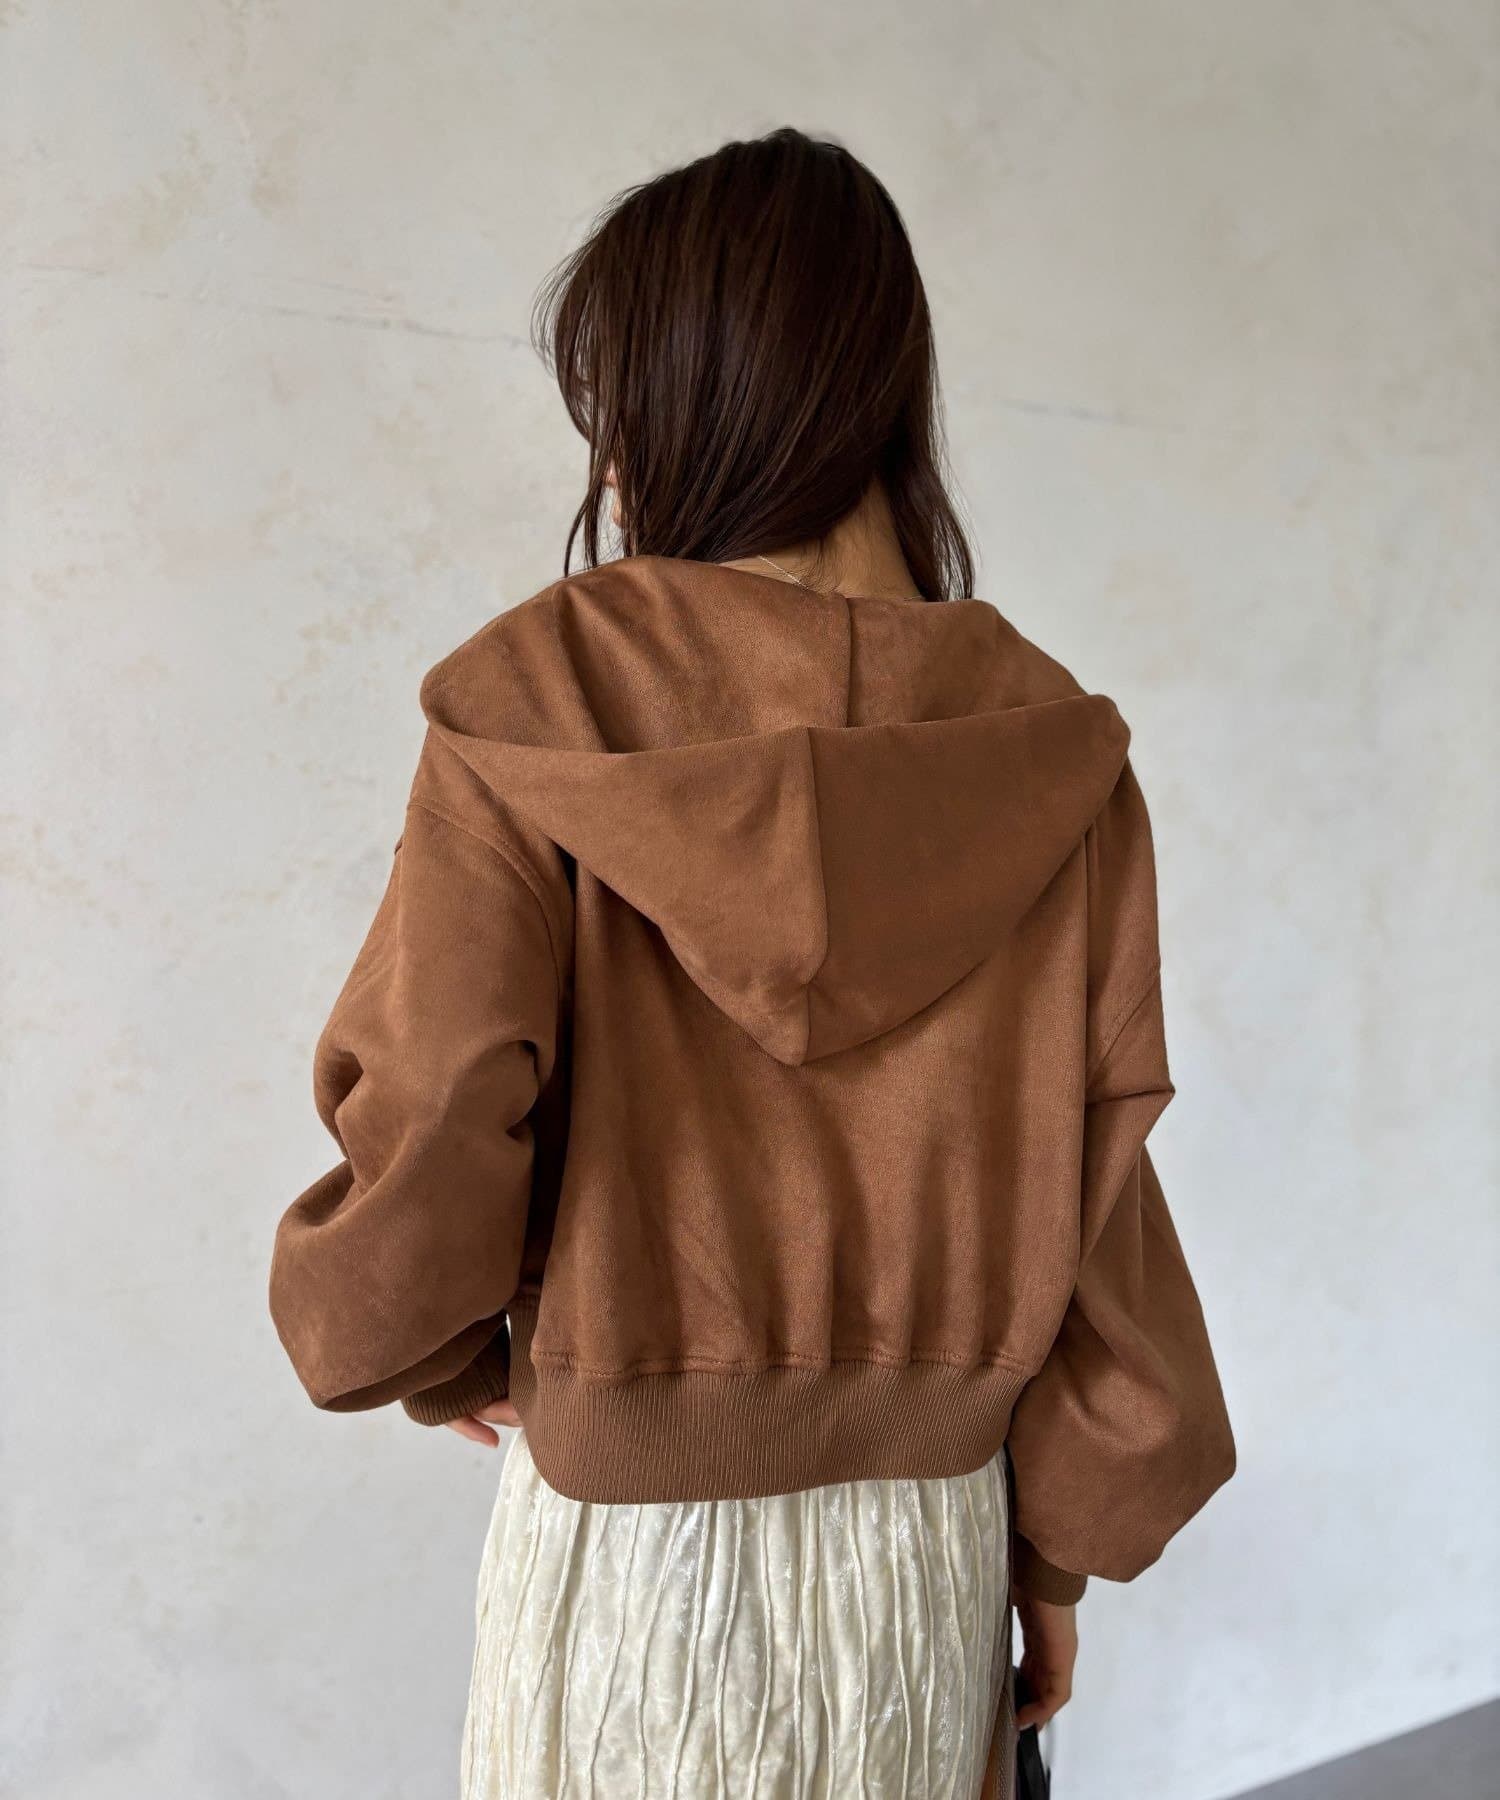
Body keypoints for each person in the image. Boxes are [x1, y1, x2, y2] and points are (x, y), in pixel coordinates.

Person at [269, 126, 1235, 1799]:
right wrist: (1056, 1558)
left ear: (668, 401)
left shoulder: (540, 705)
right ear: (884, 390)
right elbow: (1100, 1194)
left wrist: (424, 1354)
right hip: (924, 1566)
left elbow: (432, 1109)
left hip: (630, 1582)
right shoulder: (1051, 747)